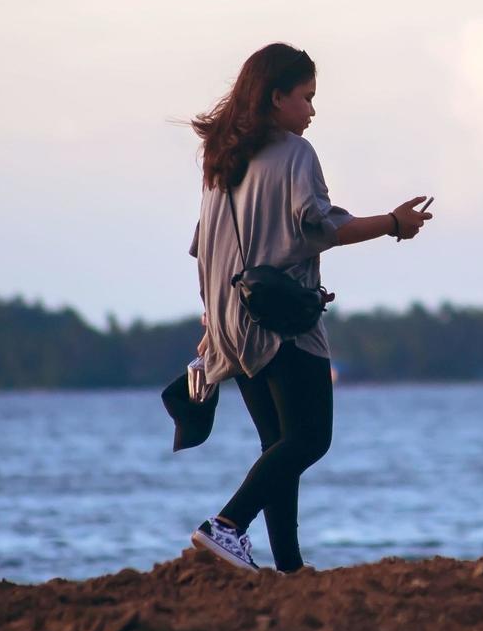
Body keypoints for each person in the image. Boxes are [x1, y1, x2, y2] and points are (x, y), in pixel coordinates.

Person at [185, 42, 434, 573]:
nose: (313, 111)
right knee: (309, 439)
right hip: (282, 324)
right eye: (306, 97)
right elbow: (323, 226)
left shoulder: (220, 162)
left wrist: (211, 321)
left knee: (278, 444)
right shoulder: (296, 154)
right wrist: (393, 223)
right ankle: (226, 527)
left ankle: (290, 567)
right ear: (277, 97)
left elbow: (203, 247)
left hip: (230, 324)